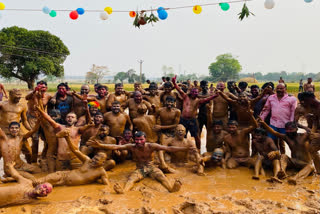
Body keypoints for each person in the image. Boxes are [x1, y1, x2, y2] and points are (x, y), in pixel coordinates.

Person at [88, 131, 195, 194]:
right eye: (137, 140)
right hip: (140, 168)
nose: (139, 142)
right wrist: (101, 145)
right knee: (131, 179)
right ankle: (123, 191)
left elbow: (168, 148)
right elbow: (116, 146)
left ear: (145, 139)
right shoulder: (132, 146)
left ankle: (172, 189)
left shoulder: (151, 146)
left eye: (141, 139)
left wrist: (185, 148)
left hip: (152, 167)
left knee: (161, 177)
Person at [33, 131, 110, 187]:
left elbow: (106, 185)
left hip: (64, 185)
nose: (93, 160)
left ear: (102, 163)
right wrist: (67, 138)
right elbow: (75, 150)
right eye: (94, 158)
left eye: (96, 160)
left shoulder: (101, 172)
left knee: (42, 187)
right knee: (38, 181)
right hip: (63, 176)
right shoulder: (87, 160)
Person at [260, 120, 314, 185]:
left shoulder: (304, 136)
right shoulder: (286, 137)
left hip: (305, 163)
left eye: (291, 129)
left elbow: (312, 132)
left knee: (311, 167)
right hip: (294, 161)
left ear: (296, 129)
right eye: (287, 130)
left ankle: (295, 178)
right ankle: (282, 172)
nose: (289, 131)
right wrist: (264, 123)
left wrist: (303, 126)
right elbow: (274, 132)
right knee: (283, 156)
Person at [172, 75, 219, 149]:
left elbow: (207, 99)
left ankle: (198, 150)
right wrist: (174, 82)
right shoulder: (185, 97)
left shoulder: (198, 101)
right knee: (182, 135)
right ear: (191, 92)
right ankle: (182, 149)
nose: (195, 94)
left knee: (196, 136)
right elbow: (179, 90)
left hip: (192, 120)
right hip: (183, 119)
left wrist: (214, 96)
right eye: (194, 92)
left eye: (196, 93)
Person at [260, 83, 297, 153]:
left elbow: (293, 112)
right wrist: (261, 119)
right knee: (272, 142)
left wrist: (291, 124)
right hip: (273, 124)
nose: (279, 90)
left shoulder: (292, 99)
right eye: (278, 88)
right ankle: (276, 157)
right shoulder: (271, 97)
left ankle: (288, 157)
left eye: (281, 88)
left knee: (289, 142)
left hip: (286, 125)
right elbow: (266, 109)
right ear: (275, 89)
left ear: (285, 89)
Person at [0, 89, 32, 163]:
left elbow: (24, 120)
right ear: (10, 95)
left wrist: (31, 130)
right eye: (16, 96)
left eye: (19, 97)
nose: (18, 98)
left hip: (17, 129)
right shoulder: (2, 104)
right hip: (4, 129)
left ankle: (30, 164)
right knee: (1, 150)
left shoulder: (22, 106)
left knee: (27, 149)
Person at [25, 81, 52, 163]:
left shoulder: (48, 96)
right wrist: (34, 91)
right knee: (35, 138)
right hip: (32, 117)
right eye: (40, 87)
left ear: (46, 88)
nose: (41, 89)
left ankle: (43, 156)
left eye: (43, 87)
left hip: (43, 118)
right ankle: (33, 161)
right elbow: (26, 97)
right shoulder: (32, 94)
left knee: (47, 139)